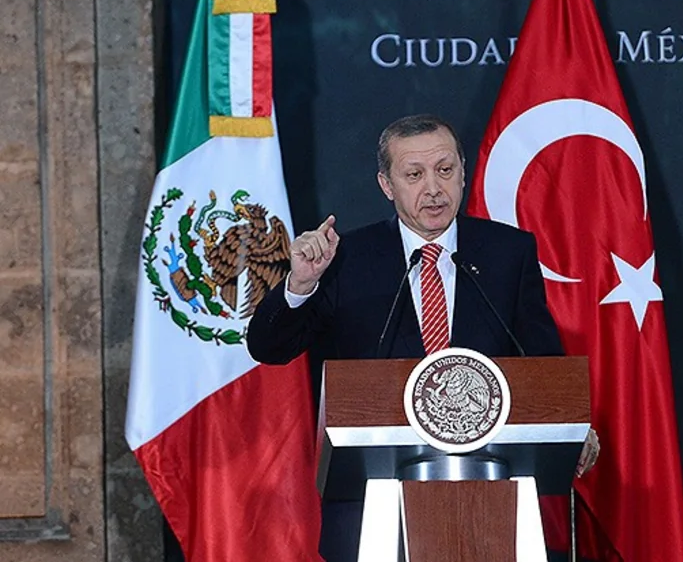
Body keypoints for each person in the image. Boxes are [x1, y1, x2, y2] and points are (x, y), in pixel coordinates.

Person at [246, 113, 599, 557]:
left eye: (445, 170)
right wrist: (300, 283)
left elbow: (540, 361)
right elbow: (268, 347)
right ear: (386, 185)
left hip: (491, 505)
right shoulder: (345, 260)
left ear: (463, 173)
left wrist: (570, 424)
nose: (433, 188)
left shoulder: (507, 253)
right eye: (414, 175)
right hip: (372, 510)